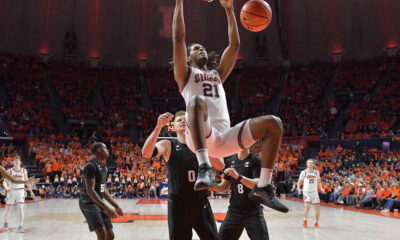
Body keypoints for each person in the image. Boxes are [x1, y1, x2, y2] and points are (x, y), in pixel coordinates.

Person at [171, 0, 287, 212]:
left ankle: (263, 186)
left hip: (225, 138)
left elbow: (234, 46)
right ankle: (204, 166)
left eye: (203, 47)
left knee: (274, 124)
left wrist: (228, 9)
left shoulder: (217, 74)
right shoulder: (185, 75)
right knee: (197, 101)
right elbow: (178, 37)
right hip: (199, 136)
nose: (202, 49)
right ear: (188, 58)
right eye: (197, 48)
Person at [142, 111, 218, 240]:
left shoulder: (201, 145)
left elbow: (220, 164)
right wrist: (158, 127)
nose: (183, 121)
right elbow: (146, 153)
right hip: (178, 205)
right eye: (179, 120)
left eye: (186, 120)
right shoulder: (168, 144)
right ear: (173, 127)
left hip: (200, 202)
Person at [210, 148, 269, 240]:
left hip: (253, 211)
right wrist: (212, 186)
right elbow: (224, 187)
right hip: (234, 211)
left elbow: (257, 184)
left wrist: (238, 177)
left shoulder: (256, 161)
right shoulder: (229, 161)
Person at [79, 142, 123, 240]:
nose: (107, 150)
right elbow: (90, 190)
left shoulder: (104, 167)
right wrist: (107, 208)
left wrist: (115, 206)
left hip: (99, 202)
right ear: (98, 150)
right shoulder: (90, 165)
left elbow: (104, 188)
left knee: (110, 235)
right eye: (105, 148)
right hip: (88, 203)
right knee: (101, 233)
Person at [3, 156, 36, 233]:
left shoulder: (24, 171)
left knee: (20, 208)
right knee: (8, 210)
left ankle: (20, 226)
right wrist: (6, 187)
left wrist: (31, 191)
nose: (17, 161)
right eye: (15, 160)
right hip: (11, 191)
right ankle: (6, 223)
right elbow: (4, 181)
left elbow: (27, 181)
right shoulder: (9, 171)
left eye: (18, 160)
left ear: (20, 162)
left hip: (20, 191)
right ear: (13, 162)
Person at [297, 159, 324, 228]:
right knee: (307, 207)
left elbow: (318, 182)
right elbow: (299, 182)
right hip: (306, 192)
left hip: (314, 192)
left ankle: (316, 222)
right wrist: (299, 189)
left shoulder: (316, 172)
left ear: (313, 164)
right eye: (308, 163)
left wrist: (321, 188)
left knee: (317, 208)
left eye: (311, 163)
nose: (310, 164)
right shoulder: (304, 172)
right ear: (306, 164)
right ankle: (305, 221)